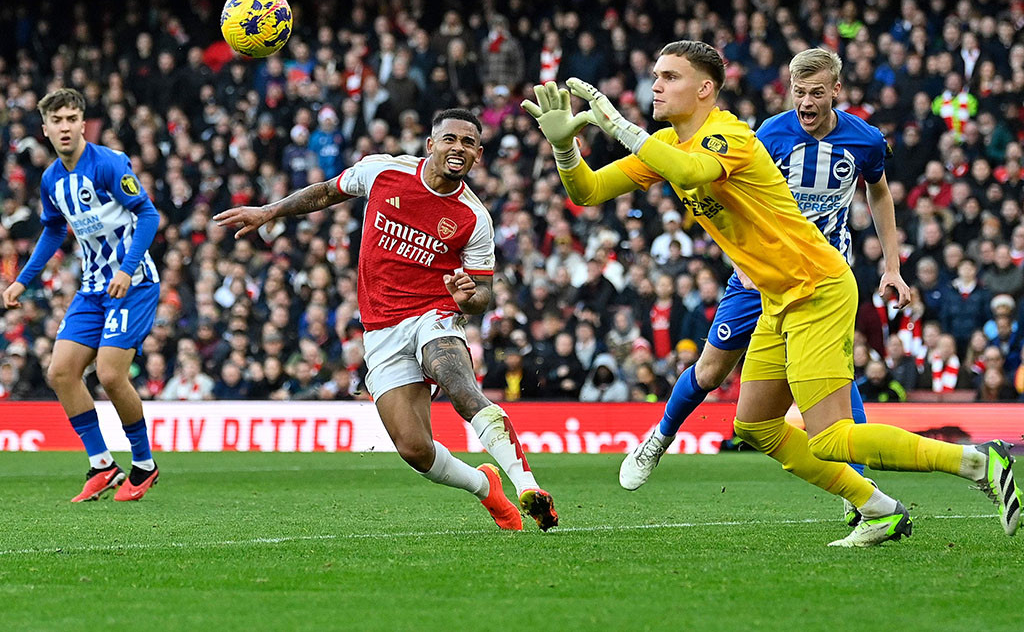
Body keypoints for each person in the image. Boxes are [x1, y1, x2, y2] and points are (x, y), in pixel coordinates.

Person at [523, 40, 1019, 546]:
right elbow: (588, 192)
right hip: (775, 293)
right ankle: (879, 509)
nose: (655, 85)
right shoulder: (672, 144)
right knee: (756, 423)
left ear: (705, 88)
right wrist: (565, 148)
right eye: (655, 74)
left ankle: (979, 460)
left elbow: (691, 174)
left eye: (669, 76)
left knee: (830, 437)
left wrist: (618, 126)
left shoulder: (730, 135)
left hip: (817, 287)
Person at [215, 109, 557, 531]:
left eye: (468, 144)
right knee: (415, 450)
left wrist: (468, 298)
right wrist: (270, 212)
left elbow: (482, 296)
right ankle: (486, 487)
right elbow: (325, 192)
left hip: (435, 315)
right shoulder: (382, 172)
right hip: (381, 329)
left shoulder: (474, 218)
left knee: (460, 386)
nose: (458, 148)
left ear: (479, 156)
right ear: (430, 145)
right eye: (450, 139)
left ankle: (528, 486)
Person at [622, 48, 911, 504]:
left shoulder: (866, 140)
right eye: (799, 92)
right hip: (756, 276)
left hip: (819, 277)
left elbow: (878, 191)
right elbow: (734, 190)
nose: (807, 102)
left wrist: (892, 266)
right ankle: (659, 437)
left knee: (836, 374)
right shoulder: (768, 135)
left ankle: (859, 491)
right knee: (712, 369)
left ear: (836, 91)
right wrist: (740, 259)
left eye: (817, 92)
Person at [2, 88, 161, 502]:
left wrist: (127, 269)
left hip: (134, 282)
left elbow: (148, 214)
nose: (66, 127)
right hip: (93, 287)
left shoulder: (108, 163)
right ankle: (103, 464)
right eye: (58, 121)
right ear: (46, 130)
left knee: (110, 374)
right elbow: (54, 229)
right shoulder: (52, 178)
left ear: (83, 122)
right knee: (60, 373)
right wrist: (23, 279)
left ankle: (144, 465)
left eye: (73, 118)